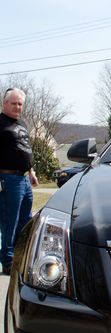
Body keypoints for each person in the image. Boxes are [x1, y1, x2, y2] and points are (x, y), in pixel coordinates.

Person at [0, 88, 38, 275]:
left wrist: (31, 171)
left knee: (25, 221)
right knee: (10, 221)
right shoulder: (0, 123)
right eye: (14, 103)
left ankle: (20, 257)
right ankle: (7, 262)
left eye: (20, 104)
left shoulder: (22, 124)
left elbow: (25, 148)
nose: (17, 107)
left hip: (24, 179)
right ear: (5, 104)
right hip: (8, 179)